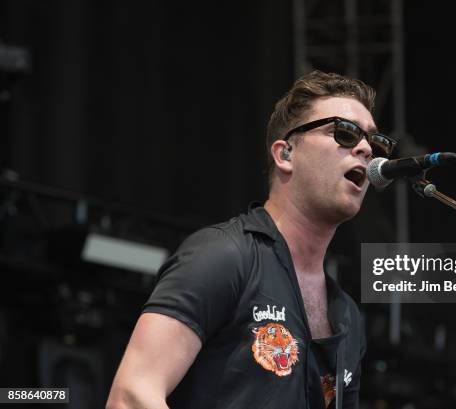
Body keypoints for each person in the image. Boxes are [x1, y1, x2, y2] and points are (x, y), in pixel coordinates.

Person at [106, 70, 397, 409]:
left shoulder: (347, 314)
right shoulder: (224, 256)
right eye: (344, 133)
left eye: (374, 142)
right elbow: (131, 396)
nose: (365, 148)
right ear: (285, 154)